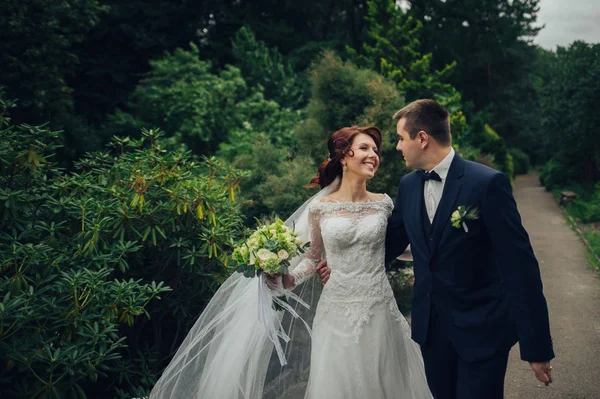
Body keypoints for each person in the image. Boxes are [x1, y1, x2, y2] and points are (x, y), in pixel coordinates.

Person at [149, 126, 432, 399]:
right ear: (344, 156)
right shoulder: (320, 208)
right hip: (336, 311)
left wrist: (430, 255)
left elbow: (398, 247)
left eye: (375, 149)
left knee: (386, 382)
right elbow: (312, 258)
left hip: (379, 307)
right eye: (364, 148)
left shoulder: (383, 203)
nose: (374, 155)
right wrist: (287, 280)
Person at [318, 99, 555, 399]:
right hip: (431, 336)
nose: (397, 148)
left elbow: (520, 267)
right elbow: (385, 243)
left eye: (401, 139)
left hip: (482, 332)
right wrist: (340, 266)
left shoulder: (486, 184)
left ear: (422, 139)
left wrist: (537, 347)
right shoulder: (408, 186)